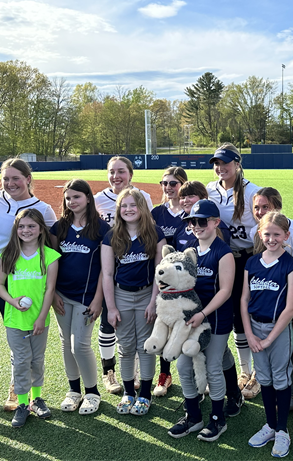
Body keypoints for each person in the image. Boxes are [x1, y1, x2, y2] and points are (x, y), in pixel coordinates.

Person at [0, 158, 57, 415]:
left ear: (28, 179)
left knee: (22, 334)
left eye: (16, 178)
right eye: (6, 178)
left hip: (19, 274)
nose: (10, 183)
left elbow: (51, 249)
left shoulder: (43, 209)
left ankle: (18, 387)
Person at [166, 199, 236, 442]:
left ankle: (218, 418)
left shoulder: (224, 253)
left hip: (215, 318)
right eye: (192, 221)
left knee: (213, 365)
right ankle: (193, 415)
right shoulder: (190, 252)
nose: (196, 226)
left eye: (202, 221)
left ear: (216, 222)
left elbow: (225, 291)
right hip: (191, 321)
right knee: (184, 366)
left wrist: (202, 314)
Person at [0, 208, 61, 428]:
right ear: (16, 229)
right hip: (15, 320)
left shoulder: (49, 256)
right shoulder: (10, 254)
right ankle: (23, 404)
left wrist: (42, 318)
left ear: (41, 229)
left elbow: (50, 290)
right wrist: (12, 301)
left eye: (32, 226)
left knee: (37, 360)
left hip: (39, 320)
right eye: (21, 226)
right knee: (21, 361)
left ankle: (37, 399)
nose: (26, 230)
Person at [101, 187, 166, 416]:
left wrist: (153, 302)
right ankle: (129, 392)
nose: (128, 209)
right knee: (126, 347)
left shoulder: (155, 233)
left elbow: (160, 270)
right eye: (124, 205)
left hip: (147, 294)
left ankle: (145, 394)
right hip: (122, 295)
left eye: (133, 205)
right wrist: (111, 308)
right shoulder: (111, 236)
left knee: (146, 347)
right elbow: (107, 274)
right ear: (118, 209)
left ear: (142, 208)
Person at [206, 144, 261, 411]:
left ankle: (254, 373)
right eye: (216, 163)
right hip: (221, 259)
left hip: (248, 258)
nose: (220, 167)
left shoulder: (252, 191)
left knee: (246, 317)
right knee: (224, 315)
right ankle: (242, 371)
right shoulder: (209, 189)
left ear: (237, 164)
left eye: (225, 162)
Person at [242, 211, 293, 458]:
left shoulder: (290, 264)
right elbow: (244, 300)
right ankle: (270, 425)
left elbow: (290, 308)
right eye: (267, 234)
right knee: (264, 378)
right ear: (259, 234)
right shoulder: (252, 263)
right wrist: (250, 335)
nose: (272, 238)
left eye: (277, 234)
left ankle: (283, 430)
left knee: (280, 377)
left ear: (286, 235)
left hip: (278, 330)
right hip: (255, 328)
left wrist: (268, 338)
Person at [49, 179, 109, 415]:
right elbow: (51, 261)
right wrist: (53, 293)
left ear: (87, 198)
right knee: (66, 343)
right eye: (68, 198)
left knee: (80, 345)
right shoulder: (59, 227)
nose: (71, 201)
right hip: (62, 295)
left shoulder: (101, 229)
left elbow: (106, 269)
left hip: (87, 296)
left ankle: (92, 392)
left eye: (76, 197)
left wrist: (98, 299)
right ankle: (74, 391)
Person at [249, 187, 293, 406]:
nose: (259, 211)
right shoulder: (257, 232)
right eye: (256, 207)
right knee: (287, 353)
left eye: (265, 207)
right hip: (273, 296)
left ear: (277, 207)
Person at [94, 156, 153, 395]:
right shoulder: (98, 200)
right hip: (111, 270)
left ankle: (140, 383)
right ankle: (111, 372)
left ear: (130, 174)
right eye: (111, 171)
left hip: (143, 282)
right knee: (114, 329)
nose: (116, 176)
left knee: (142, 339)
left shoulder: (144, 201)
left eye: (121, 171)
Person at [150, 166, 188, 397]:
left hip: (186, 280)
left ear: (183, 185)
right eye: (164, 183)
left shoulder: (190, 211)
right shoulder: (156, 213)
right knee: (162, 326)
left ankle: (191, 374)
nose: (168, 188)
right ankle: (164, 374)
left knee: (187, 328)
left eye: (173, 183)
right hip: (163, 280)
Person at [173, 181, 231, 252]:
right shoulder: (181, 224)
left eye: (191, 196)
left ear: (204, 198)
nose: (185, 200)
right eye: (182, 197)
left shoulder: (216, 225)